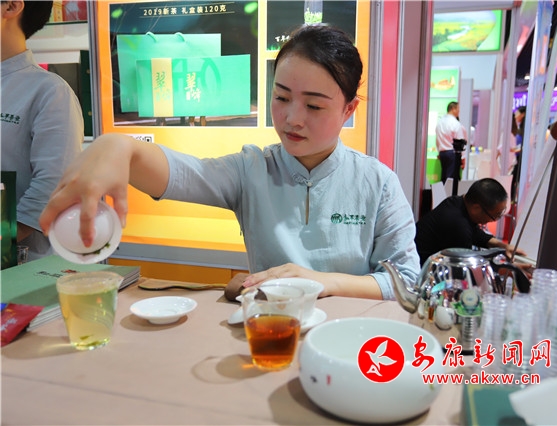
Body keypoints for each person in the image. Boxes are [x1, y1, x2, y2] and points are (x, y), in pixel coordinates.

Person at [39, 24, 421, 301]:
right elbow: (181, 173)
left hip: (356, 345)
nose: (292, 118)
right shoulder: (252, 169)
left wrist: (323, 281)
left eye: (314, 106)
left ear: (348, 109)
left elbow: (406, 281)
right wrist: (119, 147)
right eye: (282, 98)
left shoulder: (377, 182)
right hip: (271, 335)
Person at [1, 0, 83, 261]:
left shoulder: (50, 92)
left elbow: (53, 185)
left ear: (11, 7)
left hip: (19, 263)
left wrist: (5, 236)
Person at [415, 178, 525, 266]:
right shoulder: (457, 224)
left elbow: (475, 233)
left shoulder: (457, 202)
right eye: (495, 216)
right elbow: (468, 266)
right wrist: (506, 267)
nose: (493, 220)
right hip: (421, 271)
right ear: (476, 208)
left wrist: (503, 246)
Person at [435, 101, 467, 184]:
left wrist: (439, 151)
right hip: (453, 153)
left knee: (444, 177)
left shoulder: (440, 122)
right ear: (453, 109)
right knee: (451, 180)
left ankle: (443, 192)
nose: (459, 111)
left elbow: (437, 139)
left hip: (443, 153)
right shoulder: (455, 123)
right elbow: (460, 142)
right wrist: (463, 158)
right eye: (458, 109)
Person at [510, 106, 526, 201]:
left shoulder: (525, 129)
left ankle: (512, 200)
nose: (516, 115)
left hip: (520, 159)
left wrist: (516, 149)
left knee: (514, 179)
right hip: (516, 158)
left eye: (517, 113)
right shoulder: (519, 128)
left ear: (523, 114)